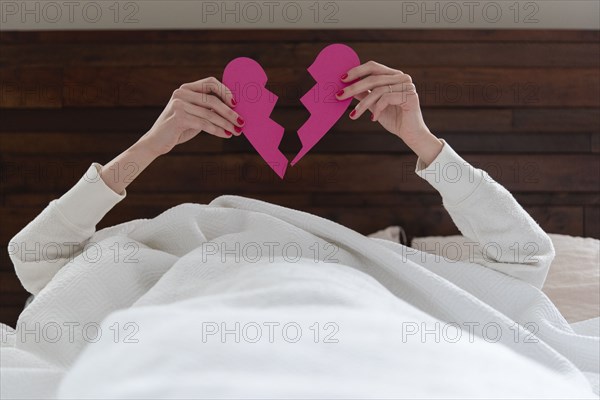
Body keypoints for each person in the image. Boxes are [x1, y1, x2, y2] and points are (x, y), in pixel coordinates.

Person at [2, 61, 597, 399]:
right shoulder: (156, 247)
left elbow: (523, 254)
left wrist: (420, 137)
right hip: (195, 309)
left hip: (362, 318)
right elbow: (34, 250)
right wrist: (157, 141)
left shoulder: (391, 270)